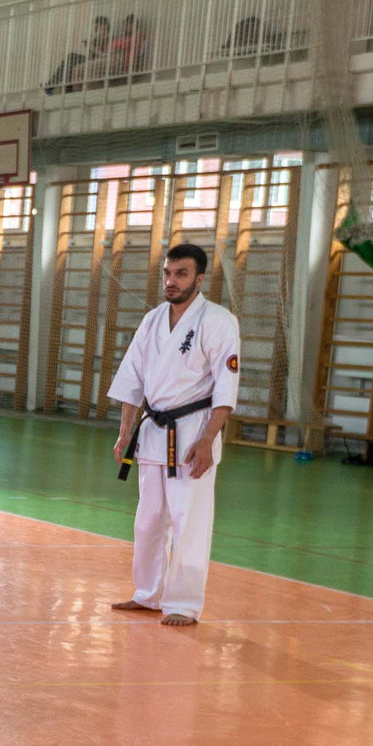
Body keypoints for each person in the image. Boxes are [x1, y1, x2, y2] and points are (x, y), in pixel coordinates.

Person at [108, 242, 239, 629]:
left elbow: (226, 388)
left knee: (189, 520)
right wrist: (124, 432)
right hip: (152, 433)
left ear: (200, 279)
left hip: (193, 431)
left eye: (181, 274)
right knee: (148, 520)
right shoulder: (152, 321)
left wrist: (207, 440)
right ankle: (148, 594)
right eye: (167, 273)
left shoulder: (218, 321)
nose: (171, 281)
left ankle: (183, 602)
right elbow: (131, 379)